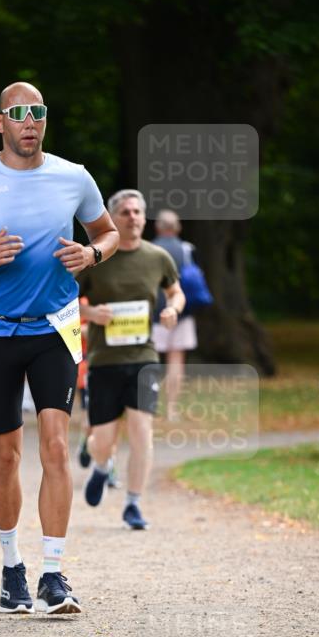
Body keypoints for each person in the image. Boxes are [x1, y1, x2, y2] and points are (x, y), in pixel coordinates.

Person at [0, 82, 118, 614]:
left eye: (38, 112)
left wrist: (92, 254)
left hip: (55, 328)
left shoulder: (73, 176)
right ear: (0, 122)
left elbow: (108, 232)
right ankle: (12, 568)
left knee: (55, 446)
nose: (29, 121)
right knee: (5, 454)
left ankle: (53, 575)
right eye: (18, 113)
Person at [80, 189, 185, 530]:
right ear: (112, 218)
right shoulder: (96, 257)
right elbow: (65, 299)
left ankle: (133, 504)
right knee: (103, 441)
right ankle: (100, 465)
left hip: (143, 357)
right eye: (125, 212)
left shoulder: (157, 257)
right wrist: (91, 313)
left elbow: (176, 292)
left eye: (137, 211)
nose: (133, 217)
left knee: (142, 432)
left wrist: (172, 309)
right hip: (103, 359)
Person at [152, 209, 198, 418]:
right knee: (176, 361)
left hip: (154, 313)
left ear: (157, 227)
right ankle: (172, 409)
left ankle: (150, 406)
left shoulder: (150, 249)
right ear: (178, 227)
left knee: (151, 360)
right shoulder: (187, 249)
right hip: (181, 312)